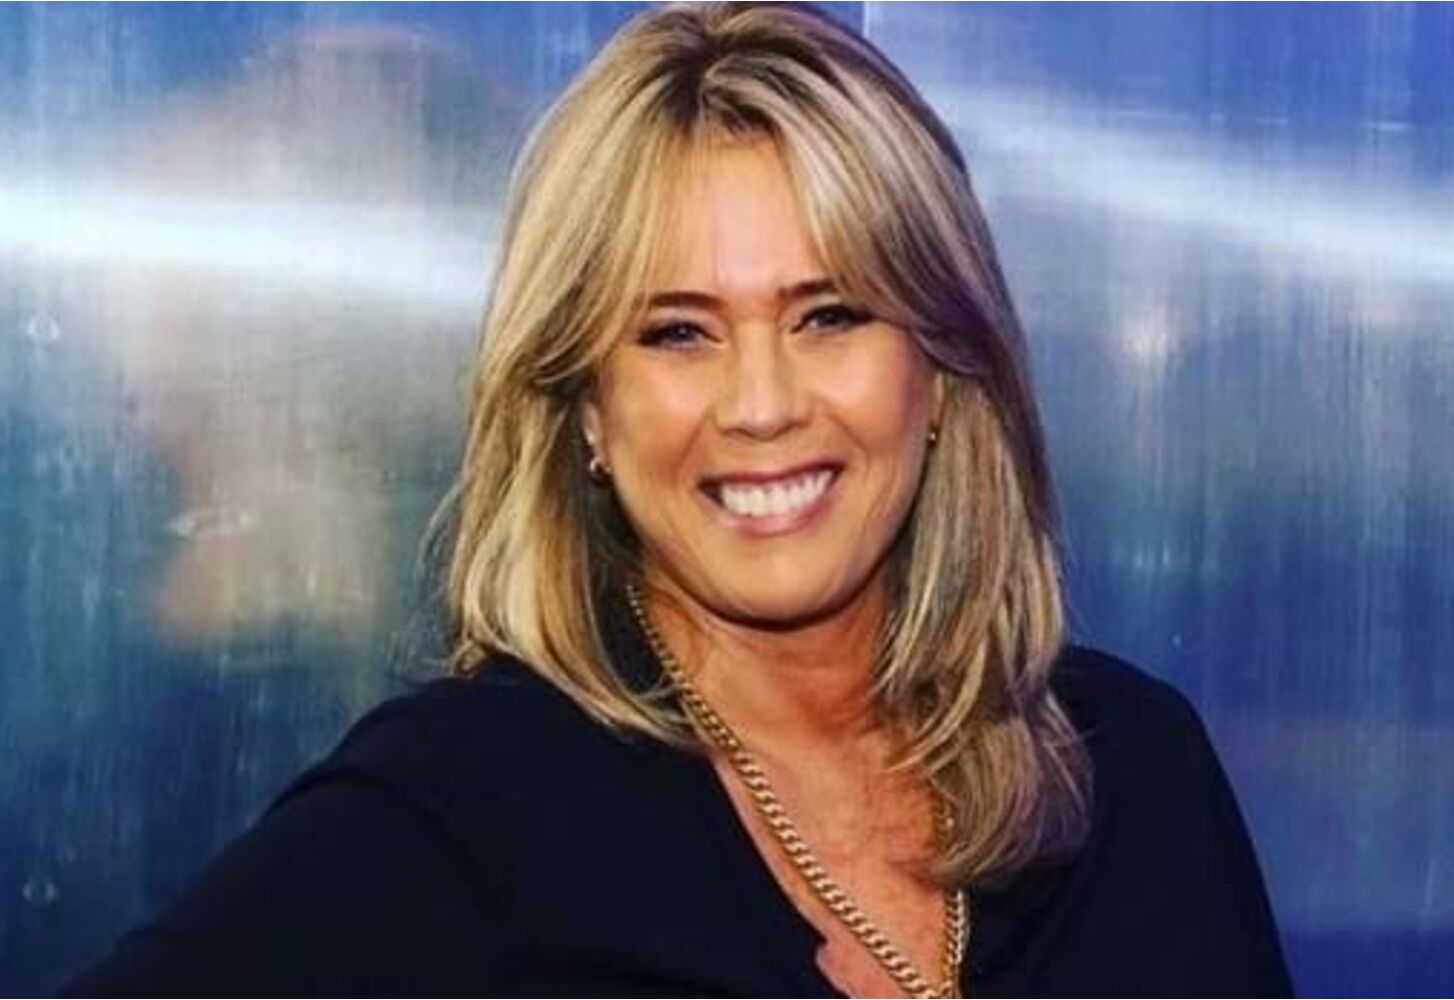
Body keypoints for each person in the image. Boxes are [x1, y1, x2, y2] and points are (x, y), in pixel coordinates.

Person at [69, 3, 1292, 996]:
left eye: (829, 315)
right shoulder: (467, 803)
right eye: (677, 332)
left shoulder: (1131, 768)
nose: (761, 404)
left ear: (940, 368)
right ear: (588, 410)